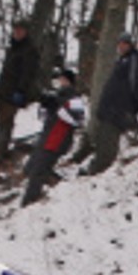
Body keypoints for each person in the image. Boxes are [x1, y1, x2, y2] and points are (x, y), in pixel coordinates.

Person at [83, 33, 138, 175]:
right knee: (102, 139)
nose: (121, 46)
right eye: (120, 43)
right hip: (110, 108)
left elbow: (135, 85)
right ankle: (96, 167)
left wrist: (130, 107)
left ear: (131, 45)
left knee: (109, 140)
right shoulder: (122, 61)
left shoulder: (134, 60)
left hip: (118, 110)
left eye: (125, 43)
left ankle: (100, 169)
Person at [21, 69, 87, 207]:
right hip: (47, 137)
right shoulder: (56, 96)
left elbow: (77, 120)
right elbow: (44, 117)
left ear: (70, 81)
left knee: (37, 171)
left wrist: (58, 107)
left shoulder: (74, 99)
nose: (61, 82)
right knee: (30, 168)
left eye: (64, 79)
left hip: (58, 140)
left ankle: (29, 203)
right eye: (60, 79)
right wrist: (45, 106)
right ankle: (62, 188)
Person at [0, 20, 41, 161]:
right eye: (16, 30)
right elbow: (5, 71)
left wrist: (21, 90)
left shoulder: (29, 50)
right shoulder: (13, 48)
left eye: (21, 30)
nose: (17, 33)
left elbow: (28, 74)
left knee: (6, 121)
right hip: (4, 90)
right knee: (1, 121)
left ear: (26, 32)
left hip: (14, 92)